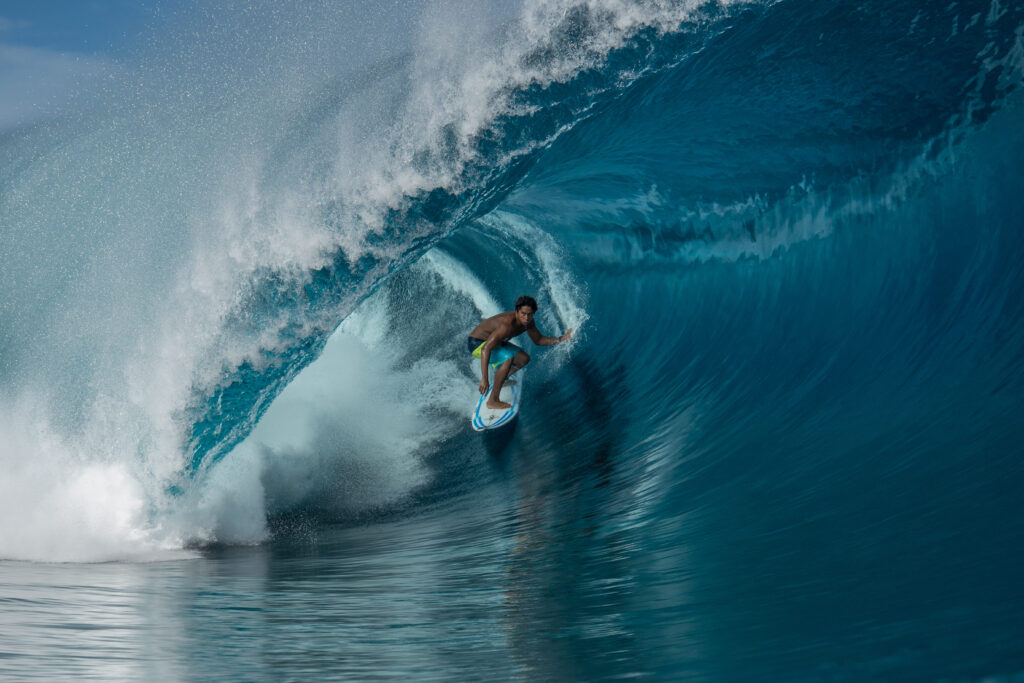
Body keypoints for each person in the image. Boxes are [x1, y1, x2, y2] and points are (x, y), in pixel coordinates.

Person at [467, 295, 574, 410]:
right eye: (523, 313)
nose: (526, 318)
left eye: (530, 314)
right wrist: (484, 379)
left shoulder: (529, 322)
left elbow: (538, 340)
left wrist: (560, 339)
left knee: (524, 359)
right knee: (508, 358)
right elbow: (485, 349)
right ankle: (493, 400)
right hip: (477, 344)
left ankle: (501, 380)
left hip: (496, 343)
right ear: (517, 311)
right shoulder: (506, 326)